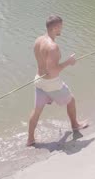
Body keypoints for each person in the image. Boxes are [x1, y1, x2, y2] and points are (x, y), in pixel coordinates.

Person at [27, 15, 88, 146]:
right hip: (51, 83)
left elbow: (43, 63)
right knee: (71, 100)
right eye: (61, 26)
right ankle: (75, 125)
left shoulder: (38, 40)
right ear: (55, 28)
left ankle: (30, 140)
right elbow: (53, 71)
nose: (62, 29)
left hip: (38, 80)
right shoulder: (53, 47)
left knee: (36, 111)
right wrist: (69, 62)